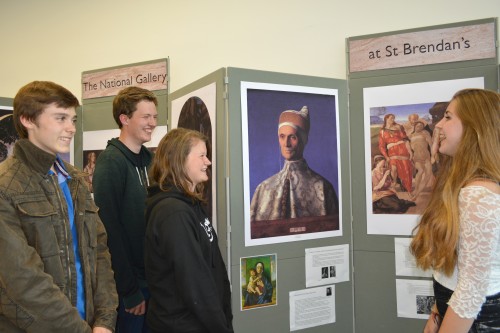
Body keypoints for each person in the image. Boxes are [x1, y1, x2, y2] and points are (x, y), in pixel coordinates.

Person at [0, 81, 118, 332]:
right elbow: (22, 280)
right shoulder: (5, 187)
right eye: (61, 118)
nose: (71, 128)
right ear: (27, 120)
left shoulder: (75, 179)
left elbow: (99, 253)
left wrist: (105, 321)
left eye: (73, 120)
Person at [410, 88, 500, 333]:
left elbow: (471, 289)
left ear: (474, 127)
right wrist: (437, 312)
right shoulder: (464, 185)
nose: (438, 125)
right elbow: (458, 267)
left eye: (448, 117)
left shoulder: (477, 195)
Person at [144, 128, 233, 333]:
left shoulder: (190, 206)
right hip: (183, 325)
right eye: (201, 155)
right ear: (180, 159)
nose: (208, 162)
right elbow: (194, 282)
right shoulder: (174, 213)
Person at [93, 86, 158, 333]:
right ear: (125, 118)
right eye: (145, 117)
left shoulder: (150, 161)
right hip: (131, 289)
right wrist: (129, 291)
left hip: (153, 281)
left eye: (154, 116)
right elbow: (109, 231)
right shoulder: (110, 163)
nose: (152, 123)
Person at [250, 106, 339, 221]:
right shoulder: (263, 188)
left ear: (304, 140)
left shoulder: (323, 188)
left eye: (292, 137)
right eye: (282, 137)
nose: (286, 144)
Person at [378, 113, 413, 194]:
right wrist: (386, 156)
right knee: (393, 169)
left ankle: (408, 189)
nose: (393, 120)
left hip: (402, 150)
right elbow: (381, 146)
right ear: (386, 119)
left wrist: (410, 151)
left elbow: (406, 140)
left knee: (406, 170)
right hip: (392, 152)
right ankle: (394, 183)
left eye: (394, 118)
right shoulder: (382, 131)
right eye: (391, 118)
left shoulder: (399, 127)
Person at [409, 121, 434, 198]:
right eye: (418, 125)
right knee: (420, 171)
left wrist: (433, 156)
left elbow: (431, 145)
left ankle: (417, 193)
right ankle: (416, 190)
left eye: (421, 126)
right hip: (416, 156)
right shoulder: (411, 135)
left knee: (428, 175)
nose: (420, 127)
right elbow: (410, 148)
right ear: (415, 126)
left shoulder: (425, 133)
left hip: (426, 156)